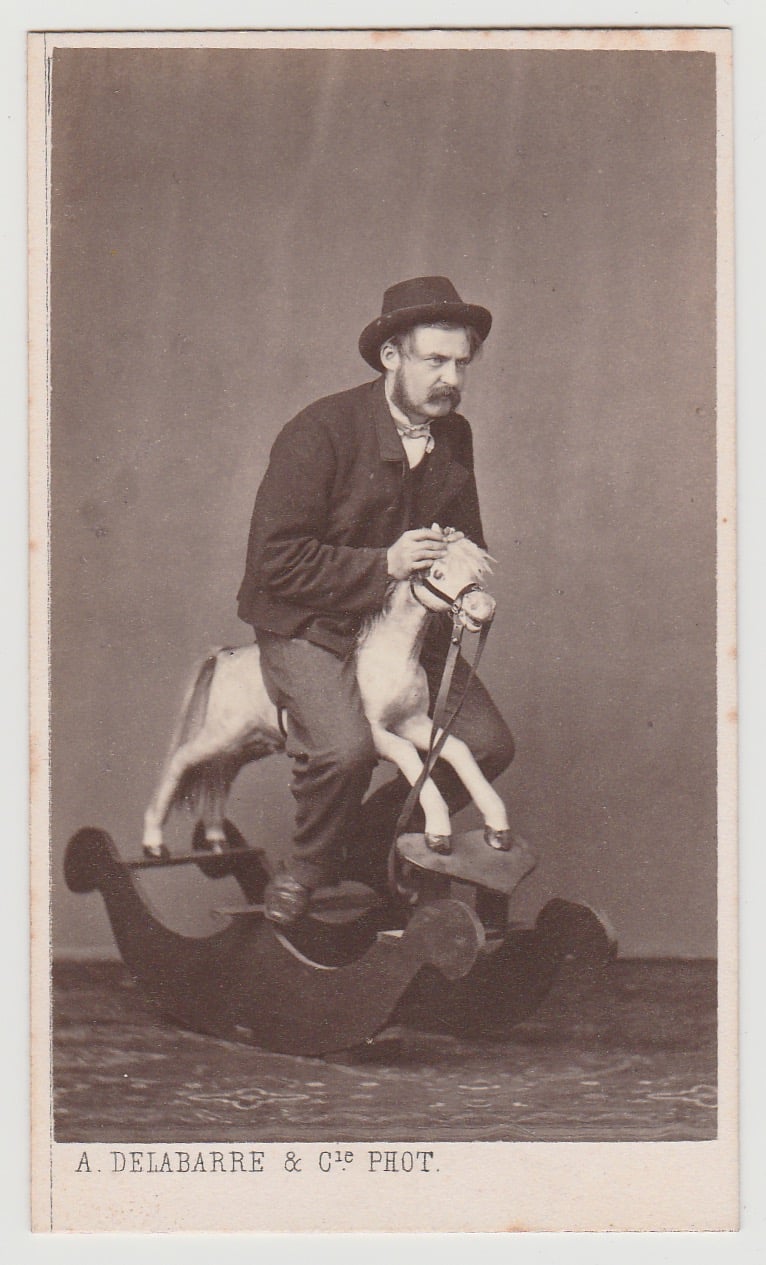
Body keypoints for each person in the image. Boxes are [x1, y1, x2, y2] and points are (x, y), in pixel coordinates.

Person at [237, 276, 514, 925]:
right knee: (346, 749)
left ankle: (361, 846)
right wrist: (381, 563)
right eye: (434, 361)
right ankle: (307, 869)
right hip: (311, 621)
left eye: (461, 363)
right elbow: (274, 562)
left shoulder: (453, 435)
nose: (451, 379)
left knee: (489, 742)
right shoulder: (319, 432)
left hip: (401, 628)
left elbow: (464, 537)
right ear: (391, 355)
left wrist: (467, 592)